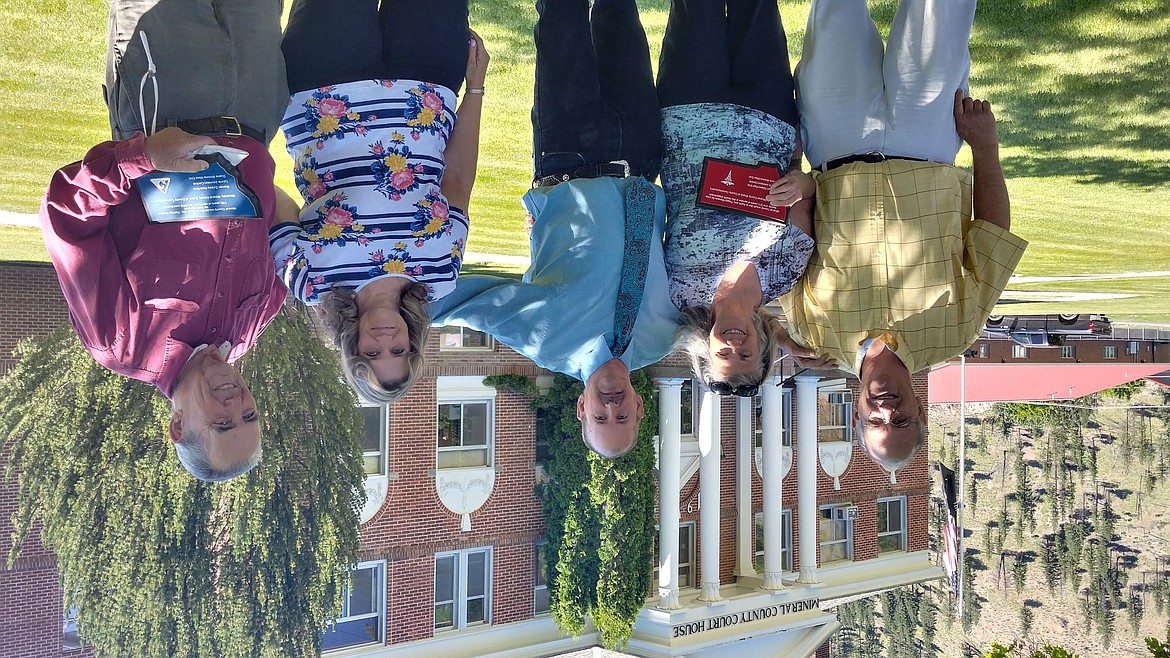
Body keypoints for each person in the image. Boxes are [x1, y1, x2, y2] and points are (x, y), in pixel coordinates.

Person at [40, 0, 291, 482]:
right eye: (249, 417)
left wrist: (144, 157)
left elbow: (65, 216)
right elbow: (280, 231)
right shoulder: (252, 325)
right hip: (256, 103)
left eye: (221, 423)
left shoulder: (120, 343)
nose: (235, 404)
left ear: (178, 426)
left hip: (169, 98)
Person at [776, 0, 1029, 475]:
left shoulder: (814, 333)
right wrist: (985, 147)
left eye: (875, 422)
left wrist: (793, 171)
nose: (886, 410)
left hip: (835, 139)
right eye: (902, 420)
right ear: (921, 411)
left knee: (833, 10)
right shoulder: (958, 331)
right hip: (926, 135)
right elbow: (992, 237)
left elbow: (795, 236)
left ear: (856, 415)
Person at [427, 0, 679, 459]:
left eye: (601, 418)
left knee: (562, 15)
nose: (611, 407)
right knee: (620, 14)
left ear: (581, 408)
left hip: (569, 150)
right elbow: (722, 314)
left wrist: (388, 321)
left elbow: (471, 306)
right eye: (622, 417)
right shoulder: (664, 336)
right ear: (641, 407)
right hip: (639, 150)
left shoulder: (546, 342)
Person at [270, 0, 487, 404]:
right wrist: (474, 89)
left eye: (372, 353)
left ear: (351, 347)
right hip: (428, 85)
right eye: (398, 351)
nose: (385, 340)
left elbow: (268, 196)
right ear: (413, 342)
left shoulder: (311, 282)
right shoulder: (439, 275)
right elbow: (457, 180)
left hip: (324, 85)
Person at [656, 0, 816, 396]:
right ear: (763, 346)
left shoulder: (677, 292)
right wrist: (800, 181)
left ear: (705, 348)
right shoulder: (785, 274)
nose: (734, 346)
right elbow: (808, 193)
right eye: (746, 355)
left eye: (724, 355)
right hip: (768, 115)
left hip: (687, 110)